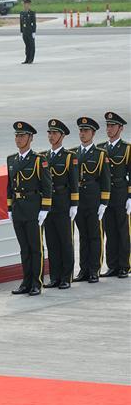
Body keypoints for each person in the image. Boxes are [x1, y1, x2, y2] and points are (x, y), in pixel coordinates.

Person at [7, 121, 52, 296]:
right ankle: (26, 281)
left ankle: (36, 282)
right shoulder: (11, 159)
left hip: (33, 208)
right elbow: (9, 187)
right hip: (18, 209)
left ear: (30, 138)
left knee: (35, 248)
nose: (19, 139)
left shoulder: (38, 160)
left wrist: (44, 208)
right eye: (17, 136)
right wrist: (10, 208)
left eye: (22, 136)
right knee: (24, 248)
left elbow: (46, 186)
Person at [74, 117, 110, 283]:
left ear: (93, 133)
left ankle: (94, 269)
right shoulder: (74, 153)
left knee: (95, 235)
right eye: (81, 130)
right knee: (83, 236)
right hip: (79, 200)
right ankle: (84, 269)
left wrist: (104, 202)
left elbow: (105, 180)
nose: (82, 134)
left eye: (86, 131)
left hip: (94, 199)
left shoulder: (100, 154)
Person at [44, 120, 79, 289]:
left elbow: (73, 182)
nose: (51, 136)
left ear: (62, 136)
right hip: (48, 205)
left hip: (63, 203)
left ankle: (66, 276)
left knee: (65, 241)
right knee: (51, 242)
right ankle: (55, 276)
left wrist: (74, 204)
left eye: (55, 133)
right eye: (50, 133)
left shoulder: (69, 157)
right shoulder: (44, 156)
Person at [100, 111, 130, 279]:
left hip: (121, 194)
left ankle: (124, 265)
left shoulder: (127, 148)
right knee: (109, 231)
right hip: (106, 196)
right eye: (108, 126)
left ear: (121, 128)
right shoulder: (102, 148)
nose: (109, 129)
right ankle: (112, 265)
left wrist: (130, 197)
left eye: (112, 126)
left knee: (123, 231)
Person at [19, 0, 36, 64]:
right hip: (24, 32)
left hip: (30, 31)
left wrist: (33, 32)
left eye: (26, 4)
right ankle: (27, 58)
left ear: (29, 4)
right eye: (23, 4)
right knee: (27, 46)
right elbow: (21, 23)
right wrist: (21, 31)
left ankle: (31, 59)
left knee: (31, 45)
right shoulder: (22, 13)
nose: (24, 5)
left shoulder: (32, 13)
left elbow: (34, 23)